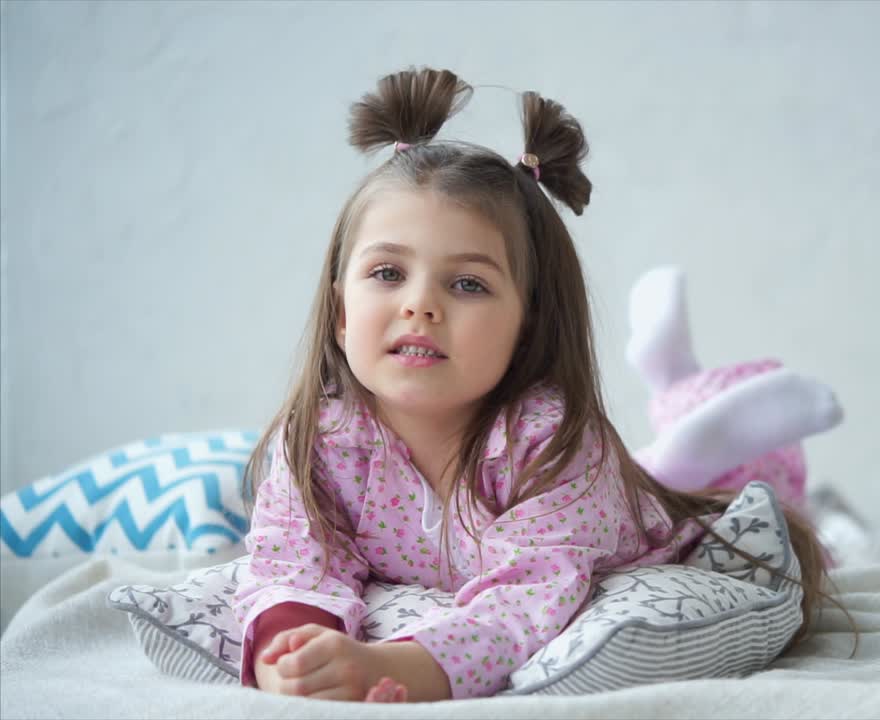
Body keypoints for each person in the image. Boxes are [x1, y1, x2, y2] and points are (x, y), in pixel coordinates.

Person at [232, 65, 832, 703]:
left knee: (732, 496)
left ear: (528, 325)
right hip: (605, 490)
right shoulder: (320, 440)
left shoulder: (550, 441)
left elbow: (531, 593)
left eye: (468, 284)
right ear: (342, 311)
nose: (420, 305)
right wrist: (291, 653)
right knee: (661, 465)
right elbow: (294, 561)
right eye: (386, 272)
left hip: (633, 524)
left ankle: (716, 429)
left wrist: (404, 668)